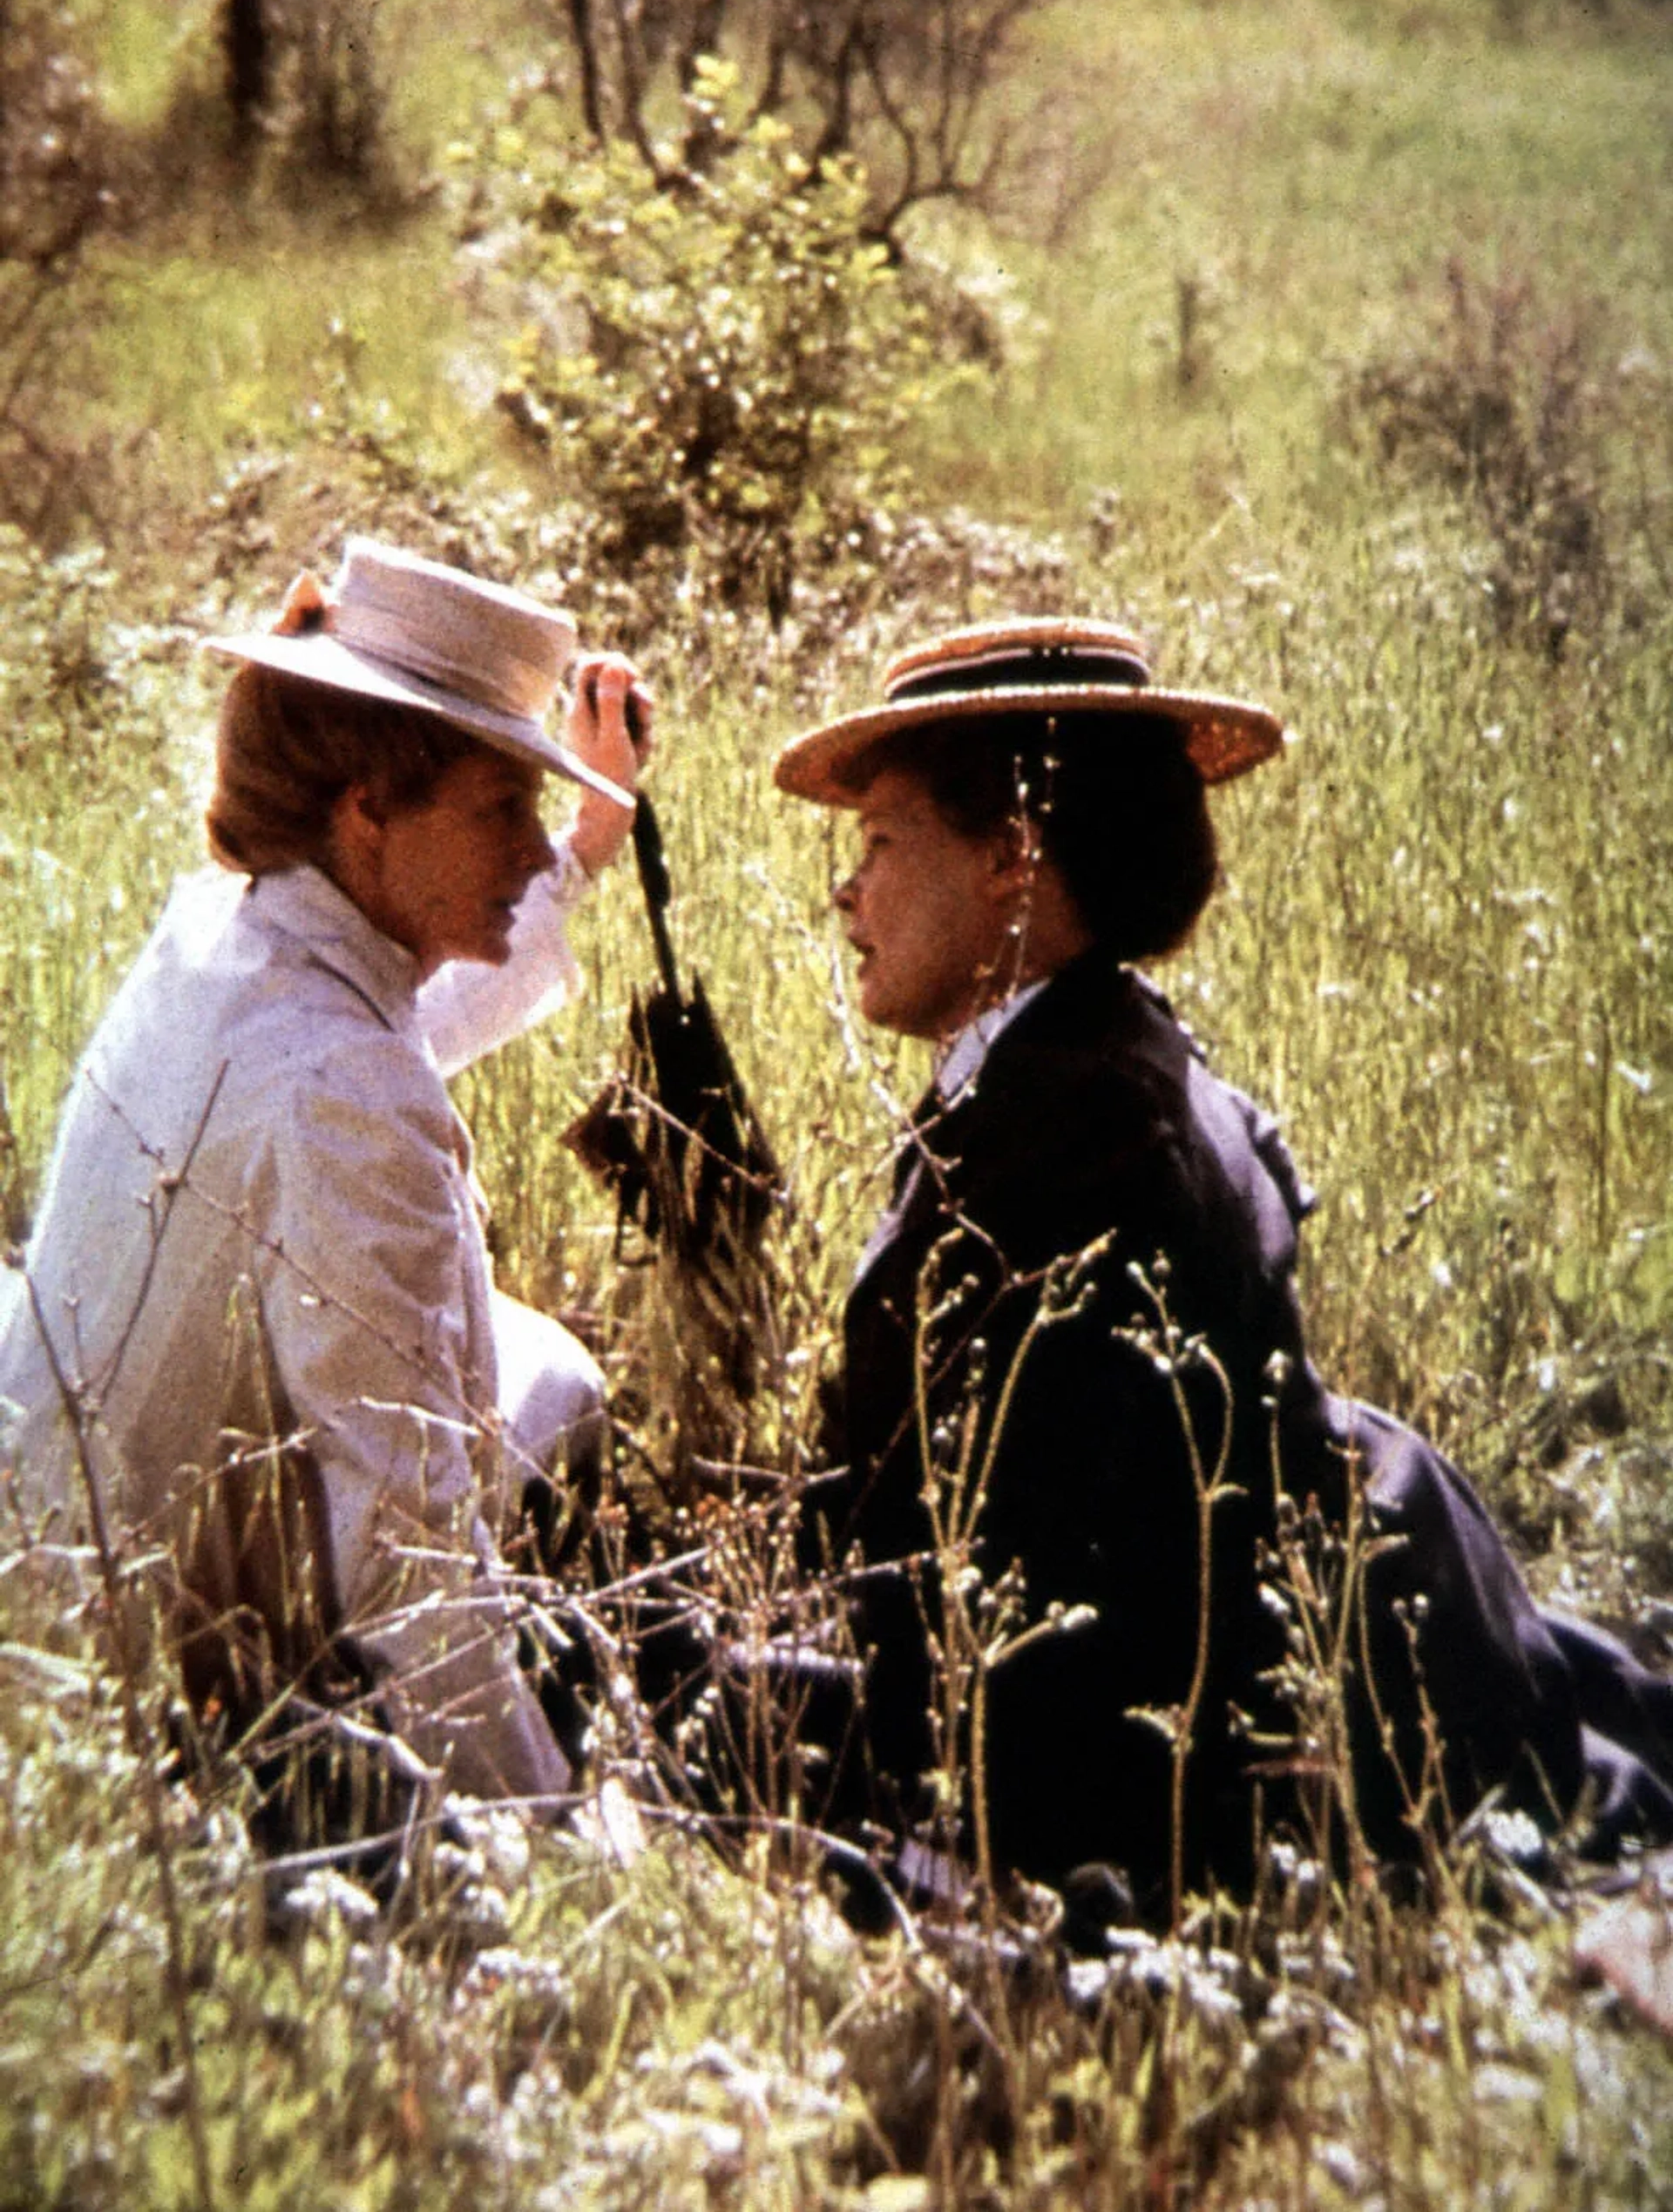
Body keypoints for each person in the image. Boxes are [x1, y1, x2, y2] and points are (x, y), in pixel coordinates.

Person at [773, 618, 1673, 1927]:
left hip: (1189, 1779)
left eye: (881, 844)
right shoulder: (1085, 1064)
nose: (845, 895)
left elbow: (1034, 1624)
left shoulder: (1078, 1141)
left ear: (1014, 856)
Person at [0, 538, 649, 1818]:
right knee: (537, 1405)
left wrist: (586, 842)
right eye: (499, 811)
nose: (525, 853)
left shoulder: (232, 928)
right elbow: (407, 1562)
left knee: (547, 1370)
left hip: (46, 1537)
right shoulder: (347, 1093)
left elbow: (396, 1018)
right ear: (367, 811)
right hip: (146, 1682)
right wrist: (560, 1847)